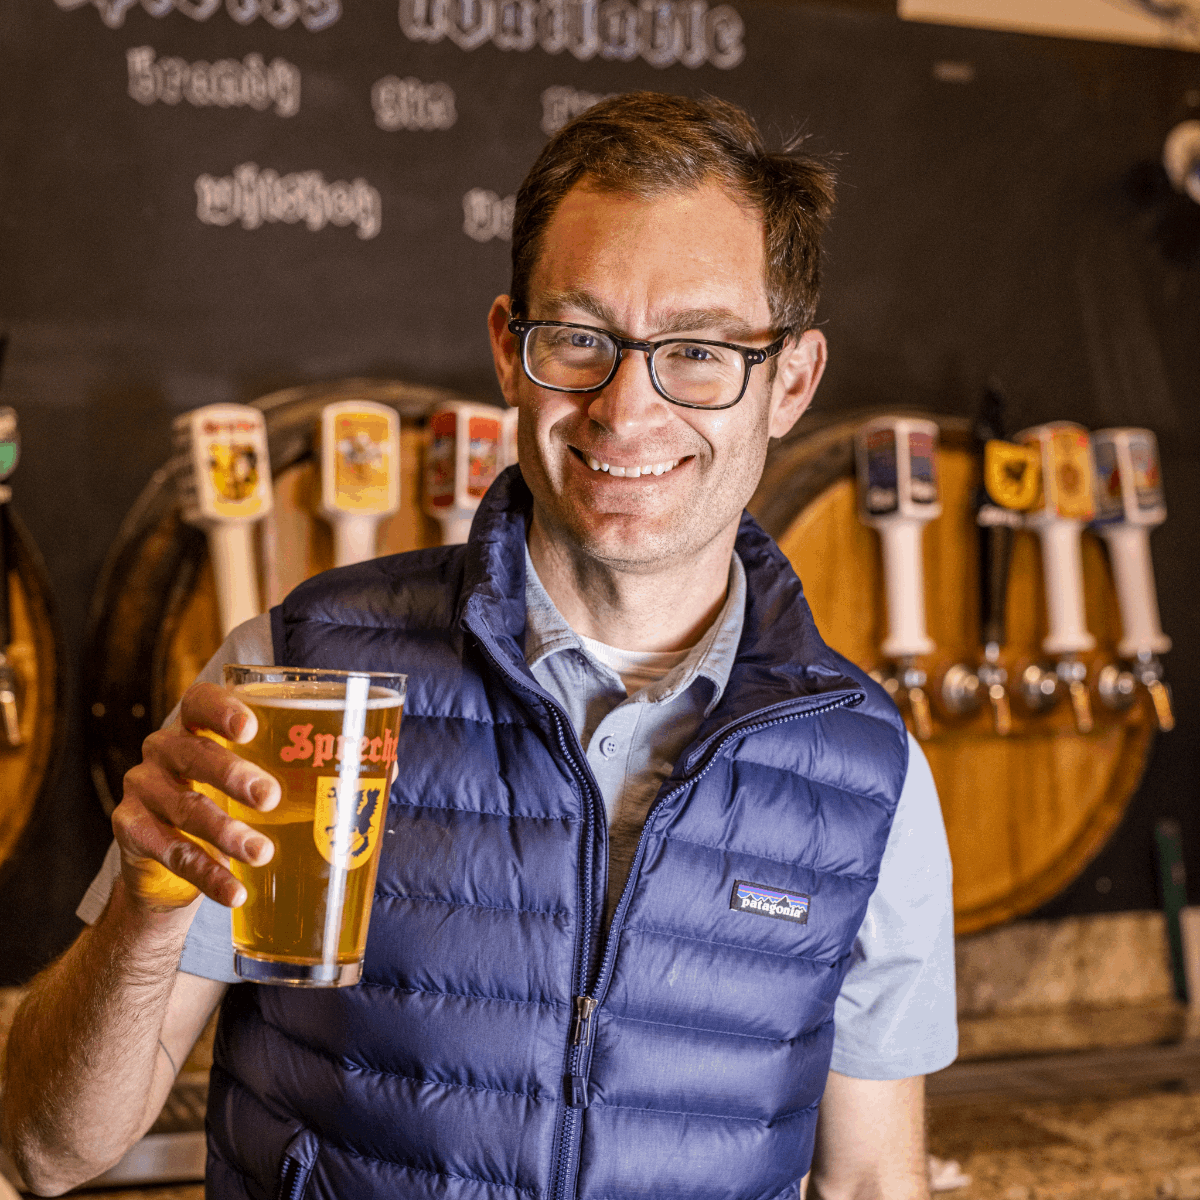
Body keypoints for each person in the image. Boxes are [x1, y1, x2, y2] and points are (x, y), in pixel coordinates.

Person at [2, 92, 955, 1199]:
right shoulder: (299, 672)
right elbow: (41, 1148)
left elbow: (875, 1182)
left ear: (789, 381)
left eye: (696, 350)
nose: (625, 410)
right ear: (510, 351)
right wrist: (142, 914)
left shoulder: (864, 772)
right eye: (580, 339)